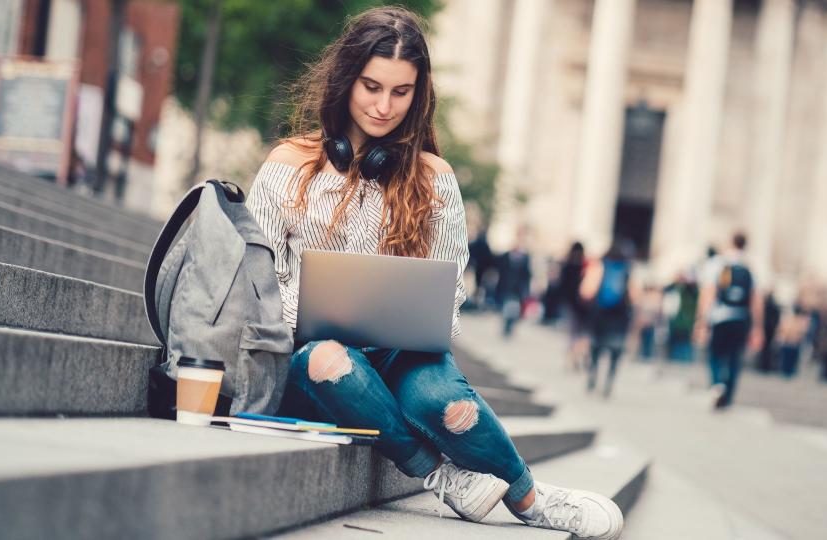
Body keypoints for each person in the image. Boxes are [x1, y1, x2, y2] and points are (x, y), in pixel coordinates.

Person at [245, 7, 623, 538]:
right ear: (345, 79)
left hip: (401, 355)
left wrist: (412, 324)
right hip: (310, 359)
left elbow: (446, 300)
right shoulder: (290, 164)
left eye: (401, 93)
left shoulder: (435, 179)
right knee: (332, 358)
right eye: (371, 86)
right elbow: (257, 283)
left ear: (419, 95)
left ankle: (532, 500)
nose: (383, 107)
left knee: (442, 402)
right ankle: (441, 476)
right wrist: (312, 315)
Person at [695, 232, 763, 409]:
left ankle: (717, 384)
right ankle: (729, 395)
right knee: (734, 357)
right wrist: (757, 327)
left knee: (716, 354)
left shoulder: (717, 263)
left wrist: (701, 320)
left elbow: (708, 294)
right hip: (741, 318)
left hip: (720, 317)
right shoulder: (751, 266)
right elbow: (756, 300)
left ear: (730, 242)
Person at [579, 240, 636, 398]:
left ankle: (592, 376)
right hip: (619, 318)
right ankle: (609, 383)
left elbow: (587, 291)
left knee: (596, 349)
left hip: (600, 316)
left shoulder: (599, 266)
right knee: (615, 352)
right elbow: (633, 295)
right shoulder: (627, 269)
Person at [558, 242, 591, 370]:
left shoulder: (568, 265)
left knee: (573, 333)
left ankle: (572, 359)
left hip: (571, 305)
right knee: (583, 334)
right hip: (584, 306)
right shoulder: (585, 266)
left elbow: (562, 287)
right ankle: (579, 357)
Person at [495, 235, 532, 338]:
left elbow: (527, 275)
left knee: (515, 310)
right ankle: (506, 327)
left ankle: (510, 327)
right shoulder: (505, 256)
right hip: (505, 287)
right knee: (505, 309)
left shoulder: (525, 258)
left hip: (517, 290)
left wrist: (526, 290)